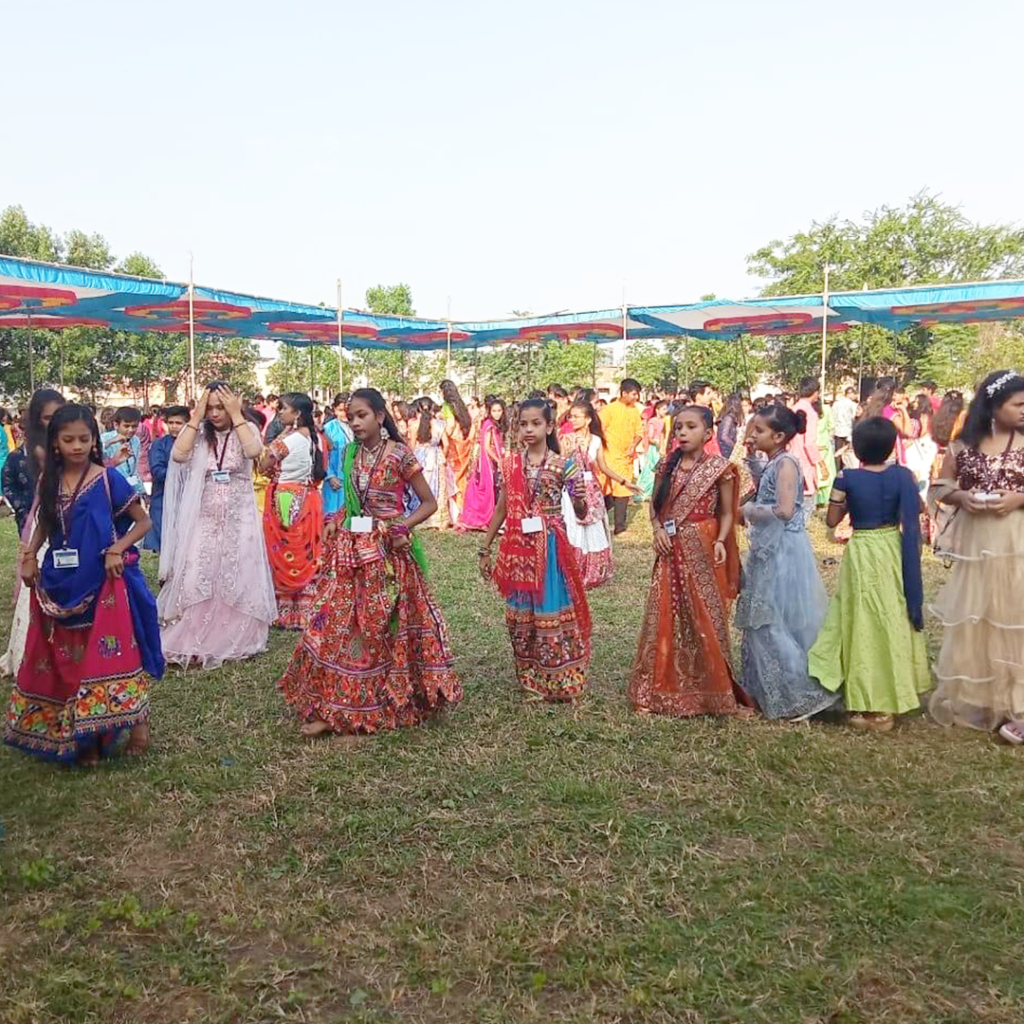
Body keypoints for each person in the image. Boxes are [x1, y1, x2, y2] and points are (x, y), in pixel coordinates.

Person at [277, 388, 462, 734]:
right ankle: (332, 705)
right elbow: (353, 503)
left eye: (362, 415)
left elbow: (428, 503)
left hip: (389, 555)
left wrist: (399, 525)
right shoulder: (349, 454)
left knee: (381, 627)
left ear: (380, 416)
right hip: (351, 552)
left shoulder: (399, 455)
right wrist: (336, 521)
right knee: (338, 623)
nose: (356, 422)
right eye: (351, 417)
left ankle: (387, 698)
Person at [5, 404, 163, 764]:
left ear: (94, 440)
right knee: (70, 655)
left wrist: (117, 550)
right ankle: (85, 735)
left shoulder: (108, 479)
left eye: (84, 438)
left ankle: (137, 723)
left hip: (104, 582)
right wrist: (29, 556)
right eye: (68, 439)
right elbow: (45, 522)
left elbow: (143, 523)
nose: (77, 446)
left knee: (111, 653)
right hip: (61, 581)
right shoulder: (49, 480)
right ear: (55, 443)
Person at [628, 406, 752, 718]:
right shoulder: (665, 468)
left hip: (704, 545)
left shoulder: (720, 469)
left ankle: (713, 692)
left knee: (705, 615)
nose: (682, 432)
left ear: (708, 433)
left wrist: (722, 540)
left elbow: (726, 512)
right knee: (665, 613)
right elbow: (655, 506)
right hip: (670, 549)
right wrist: (656, 529)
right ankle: (657, 689)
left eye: (691, 427)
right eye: (679, 427)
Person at [808, 417, 929, 732]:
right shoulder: (903, 475)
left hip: (862, 550)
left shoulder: (847, 477)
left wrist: (845, 498)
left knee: (862, 620)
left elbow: (832, 521)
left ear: (856, 448)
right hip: (891, 548)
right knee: (891, 616)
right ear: (891, 447)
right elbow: (918, 508)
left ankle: (867, 699)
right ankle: (893, 695)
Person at [929, 371, 1024, 737]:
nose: (1023, 410)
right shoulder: (963, 445)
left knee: (1015, 615)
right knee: (979, 616)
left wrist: (1018, 498)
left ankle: (1018, 702)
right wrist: (961, 497)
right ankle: (982, 696)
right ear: (993, 406)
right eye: (1018, 404)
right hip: (978, 546)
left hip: (1017, 540)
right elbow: (940, 486)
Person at [157, 383, 277, 668]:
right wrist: (196, 417)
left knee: (237, 568)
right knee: (200, 568)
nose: (214, 413)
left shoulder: (243, 429)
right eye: (210, 407)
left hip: (239, 514)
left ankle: (237, 634)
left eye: (219, 407)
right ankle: (195, 632)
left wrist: (237, 415)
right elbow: (178, 456)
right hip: (204, 513)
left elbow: (253, 451)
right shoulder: (199, 434)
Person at [479, 398, 591, 701]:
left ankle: (559, 678)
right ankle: (530, 678)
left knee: (549, 609)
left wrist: (579, 495)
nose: (529, 429)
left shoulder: (563, 463)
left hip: (551, 549)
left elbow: (582, 511)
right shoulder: (510, 462)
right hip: (518, 546)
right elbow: (502, 507)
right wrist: (485, 546)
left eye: (536, 423)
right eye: (524, 424)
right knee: (520, 615)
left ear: (549, 426)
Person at [735, 405, 834, 721]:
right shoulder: (775, 462)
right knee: (764, 614)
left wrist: (746, 512)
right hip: (769, 549)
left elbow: (784, 510)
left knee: (773, 617)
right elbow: (765, 484)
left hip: (783, 553)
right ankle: (766, 688)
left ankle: (795, 691)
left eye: (759, 431)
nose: (753, 434)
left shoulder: (788, 463)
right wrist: (752, 460)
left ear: (778, 436)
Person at [1, 389, 67, 679]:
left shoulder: (70, 445)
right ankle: (31, 654)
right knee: (38, 583)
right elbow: (9, 485)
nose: (54, 423)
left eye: (58, 417)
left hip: (70, 524)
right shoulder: (23, 455)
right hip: (38, 523)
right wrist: (24, 510)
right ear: (36, 420)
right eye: (47, 418)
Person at [260, 392, 324, 630]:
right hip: (308, 496)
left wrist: (271, 455)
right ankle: (305, 610)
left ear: (296, 413)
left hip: (286, 496)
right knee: (304, 548)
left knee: (286, 547)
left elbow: (265, 464)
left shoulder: (287, 441)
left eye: (284, 409)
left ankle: (285, 611)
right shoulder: (312, 436)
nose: (280, 413)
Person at [562, 400, 637, 588]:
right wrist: (569, 452)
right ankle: (573, 571)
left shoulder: (596, 440)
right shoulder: (566, 438)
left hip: (591, 490)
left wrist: (624, 482)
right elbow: (561, 463)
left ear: (587, 419)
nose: (573, 419)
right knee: (573, 527)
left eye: (577, 416)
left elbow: (603, 467)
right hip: (572, 488)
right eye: (571, 416)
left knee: (593, 527)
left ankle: (593, 572)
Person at [599, 379, 644, 535]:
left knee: (623, 491)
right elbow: (599, 430)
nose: (636, 397)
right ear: (624, 393)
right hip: (610, 456)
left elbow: (639, 432)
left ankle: (619, 526)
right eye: (633, 394)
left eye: (637, 394)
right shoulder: (609, 410)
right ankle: (597, 520)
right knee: (609, 491)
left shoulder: (634, 411)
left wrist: (634, 444)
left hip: (626, 457)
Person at [143, 405, 189, 553]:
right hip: (162, 496)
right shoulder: (159, 444)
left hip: (187, 496)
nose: (174, 427)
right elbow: (157, 470)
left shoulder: (195, 443)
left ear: (187, 424)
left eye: (179, 423)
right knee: (161, 536)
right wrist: (182, 474)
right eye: (171, 423)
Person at [459, 396, 507, 531]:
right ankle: (483, 519)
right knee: (485, 489)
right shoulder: (489, 425)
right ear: (490, 411)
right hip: (486, 462)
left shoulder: (492, 424)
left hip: (487, 460)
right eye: (494, 411)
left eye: (499, 411)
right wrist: (499, 461)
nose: (497, 413)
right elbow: (487, 447)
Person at [412, 397, 450, 529]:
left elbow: (412, 445)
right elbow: (446, 444)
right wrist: (441, 456)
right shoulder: (440, 424)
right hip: (435, 455)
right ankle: (438, 521)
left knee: (420, 486)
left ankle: (420, 517)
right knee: (438, 487)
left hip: (420, 455)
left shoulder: (415, 424)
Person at [441, 379, 475, 522]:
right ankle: (465, 511)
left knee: (452, 479)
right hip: (463, 444)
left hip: (453, 445)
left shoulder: (447, 406)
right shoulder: (461, 405)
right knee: (463, 478)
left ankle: (456, 514)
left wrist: (440, 436)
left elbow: (449, 425)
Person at [789, 378, 823, 515]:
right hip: (805, 463)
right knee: (806, 506)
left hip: (791, 460)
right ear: (815, 393)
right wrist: (820, 463)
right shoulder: (810, 413)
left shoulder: (793, 409)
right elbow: (809, 443)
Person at [101, 407, 145, 496]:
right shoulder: (105, 438)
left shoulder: (135, 440)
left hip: (130, 487)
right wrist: (111, 442)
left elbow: (135, 469)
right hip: (111, 488)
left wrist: (141, 490)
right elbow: (96, 456)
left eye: (134, 426)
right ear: (116, 425)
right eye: (126, 426)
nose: (131, 430)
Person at [323, 392, 353, 522]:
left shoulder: (358, 427)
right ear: (334, 410)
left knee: (354, 520)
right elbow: (323, 455)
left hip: (354, 480)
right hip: (334, 482)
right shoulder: (328, 429)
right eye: (341, 410)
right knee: (332, 519)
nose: (344, 414)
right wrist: (330, 476)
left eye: (347, 410)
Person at [636, 399, 669, 502]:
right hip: (654, 449)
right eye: (663, 409)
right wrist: (658, 442)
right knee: (650, 470)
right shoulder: (653, 421)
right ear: (657, 410)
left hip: (660, 448)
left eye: (666, 409)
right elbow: (650, 437)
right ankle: (644, 492)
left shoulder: (663, 421)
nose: (665, 411)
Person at [690, 380, 722, 456]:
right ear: (698, 396)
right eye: (708, 393)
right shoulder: (706, 412)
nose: (711, 396)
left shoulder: (686, 411)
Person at [716, 392, 745, 460]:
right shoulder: (728, 418)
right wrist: (735, 447)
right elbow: (724, 436)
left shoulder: (729, 417)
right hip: (726, 451)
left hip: (726, 450)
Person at [832, 386, 858, 452]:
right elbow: (854, 418)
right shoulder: (853, 405)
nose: (855, 395)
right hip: (848, 430)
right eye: (854, 393)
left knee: (838, 450)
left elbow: (833, 416)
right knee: (847, 451)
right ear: (850, 394)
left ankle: (837, 462)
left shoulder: (836, 403)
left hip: (838, 430)